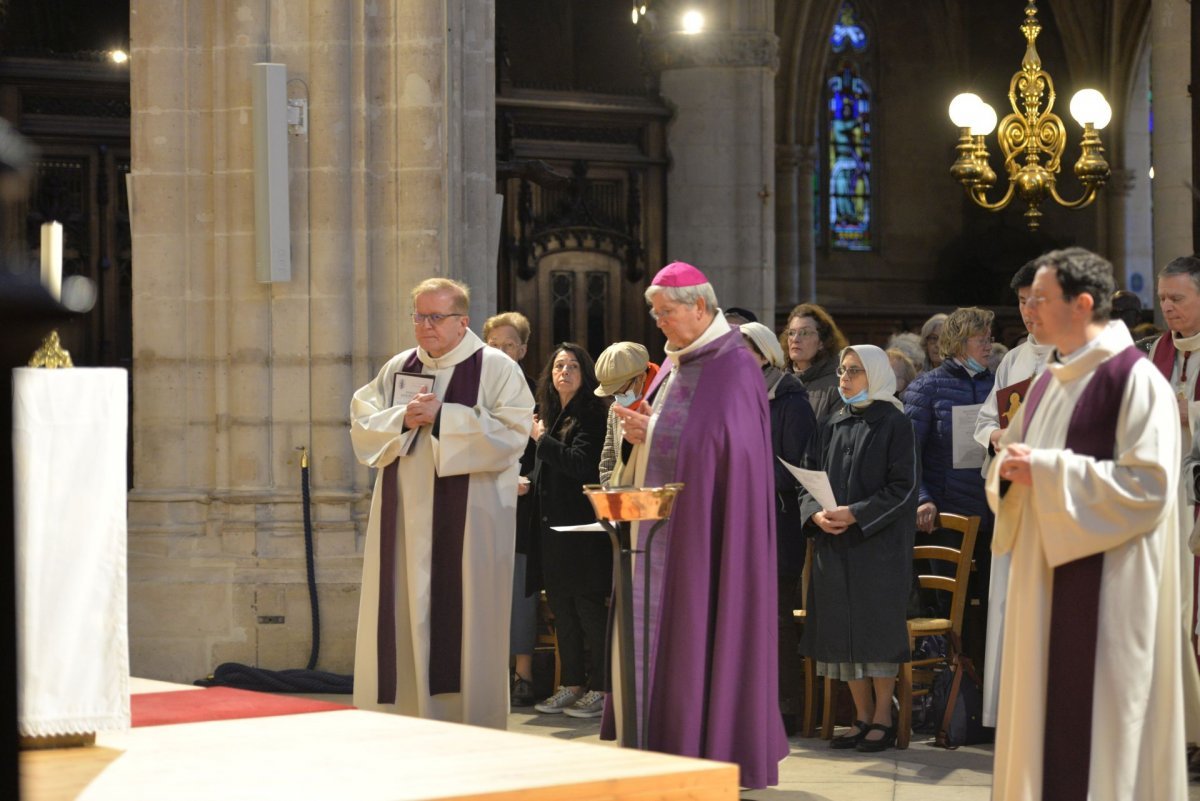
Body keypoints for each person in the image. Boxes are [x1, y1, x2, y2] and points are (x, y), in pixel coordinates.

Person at [987, 247, 1186, 801]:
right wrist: (1006, 467)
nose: (1031, 312)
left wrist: (1047, 469)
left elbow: (1149, 488)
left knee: (1101, 741)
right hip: (1043, 584)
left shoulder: (1135, 380)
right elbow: (1010, 458)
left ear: (1081, 304)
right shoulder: (1050, 380)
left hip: (1110, 591)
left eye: (1042, 301)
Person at [607, 261, 788, 789]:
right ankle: (662, 740)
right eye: (656, 313)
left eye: (665, 313)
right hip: (662, 527)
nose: (659, 323)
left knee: (704, 622)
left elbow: (727, 450)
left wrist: (656, 429)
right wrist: (640, 431)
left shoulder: (733, 364)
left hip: (707, 534)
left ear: (699, 308)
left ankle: (705, 743)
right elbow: (679, 431)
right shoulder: (674, 362)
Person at [349, 278, 534, 730]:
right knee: (401, 605)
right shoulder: (398, 366)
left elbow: (513, 434)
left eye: (436, 317)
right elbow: (363, 422)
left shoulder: (495, 367)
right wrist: (402, 417)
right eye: (418, 316)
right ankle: (402, 717)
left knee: (464, 617)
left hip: (470, 519)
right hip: (404, 513)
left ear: (462, 321)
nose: (425, 327)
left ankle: (471, 723)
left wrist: (444, 419)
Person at [798, 344, 918, 752]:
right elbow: (808, 476)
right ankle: (861, 714)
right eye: (842, 372)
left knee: (876, 631)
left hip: (877, 547)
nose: (844, 379)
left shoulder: (895, 422)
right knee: (840, 630)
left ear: (876, 374)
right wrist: (814, 514)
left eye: (854, 372)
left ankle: (885, 714)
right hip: (834, 544)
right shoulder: (832, 420)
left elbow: (903, 489)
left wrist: (857, 514)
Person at [970, 260, 1052, 728]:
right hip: (1015, 498)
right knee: (1010, 604)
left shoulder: (1077, 355)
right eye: (1021, 302)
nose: (1027, 311)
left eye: (1036, 301)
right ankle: (1014, 714)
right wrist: (996, 439)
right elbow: (986, 421)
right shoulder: (1014, 360)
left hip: (1056, 501)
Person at [740, 321, 818, 735]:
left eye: (744, 352)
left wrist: (745, 468)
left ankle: (784, 705)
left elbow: (798, 469)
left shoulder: (789, 398)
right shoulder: (733, 396)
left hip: (778, 522)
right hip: (739, 522)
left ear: (765, 353)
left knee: (776, 619)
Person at [528, 343, 612, 719]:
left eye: (573, 366)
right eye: (559, 365)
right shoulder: (549, 412)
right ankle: (572, 683)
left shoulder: (592, 415)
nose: (564, 372)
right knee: (562, 610)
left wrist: (541, 441)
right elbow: (546, 469)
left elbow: (583, 466)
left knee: (588, 610)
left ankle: (601, 687)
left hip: (582, 531)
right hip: (552, 532)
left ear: (586, 374)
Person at [904, 306, 996, 632]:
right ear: (958, 344)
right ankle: (951, 679)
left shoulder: (998, 386)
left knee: (991, 610)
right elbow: (907, 454)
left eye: (989, 338)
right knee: (947, 612)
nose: (988, 345)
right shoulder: (926, 387)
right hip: (946, 517)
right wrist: (923, 499)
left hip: (993, 516)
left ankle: (983, 680)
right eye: (980, 339)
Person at [1147, 254, 1200, 751]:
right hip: (1163, 504)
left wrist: (1192, 411)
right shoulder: (1156, 351)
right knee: (1169, 618)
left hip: (1197, 503)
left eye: (1178, 299)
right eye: (1163, 299)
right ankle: (1180, 733)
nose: (1168, 308)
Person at [482, 311, 539, 707]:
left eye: (509, 345)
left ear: (522, 350)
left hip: (522, 506)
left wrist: (526, 480)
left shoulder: (535, 392)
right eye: (494, 345)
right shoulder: (470, 391)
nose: (501, 352)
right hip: (480, 503)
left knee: (519, 590)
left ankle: (523, 676)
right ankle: (484, 671)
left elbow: (537, 450)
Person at [593, 342, 658, 487]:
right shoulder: (615, 410)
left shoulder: (665, 400)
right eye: (612, 393)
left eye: (620, 389)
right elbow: (608, 461)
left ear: (640, 377)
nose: (617, 397)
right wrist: (612, 492)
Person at [782, 302, 849, 422]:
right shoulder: (779, 381)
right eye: (791, 333)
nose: (795, 339)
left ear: (822, 342)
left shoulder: (838, 386)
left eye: (804, 333)